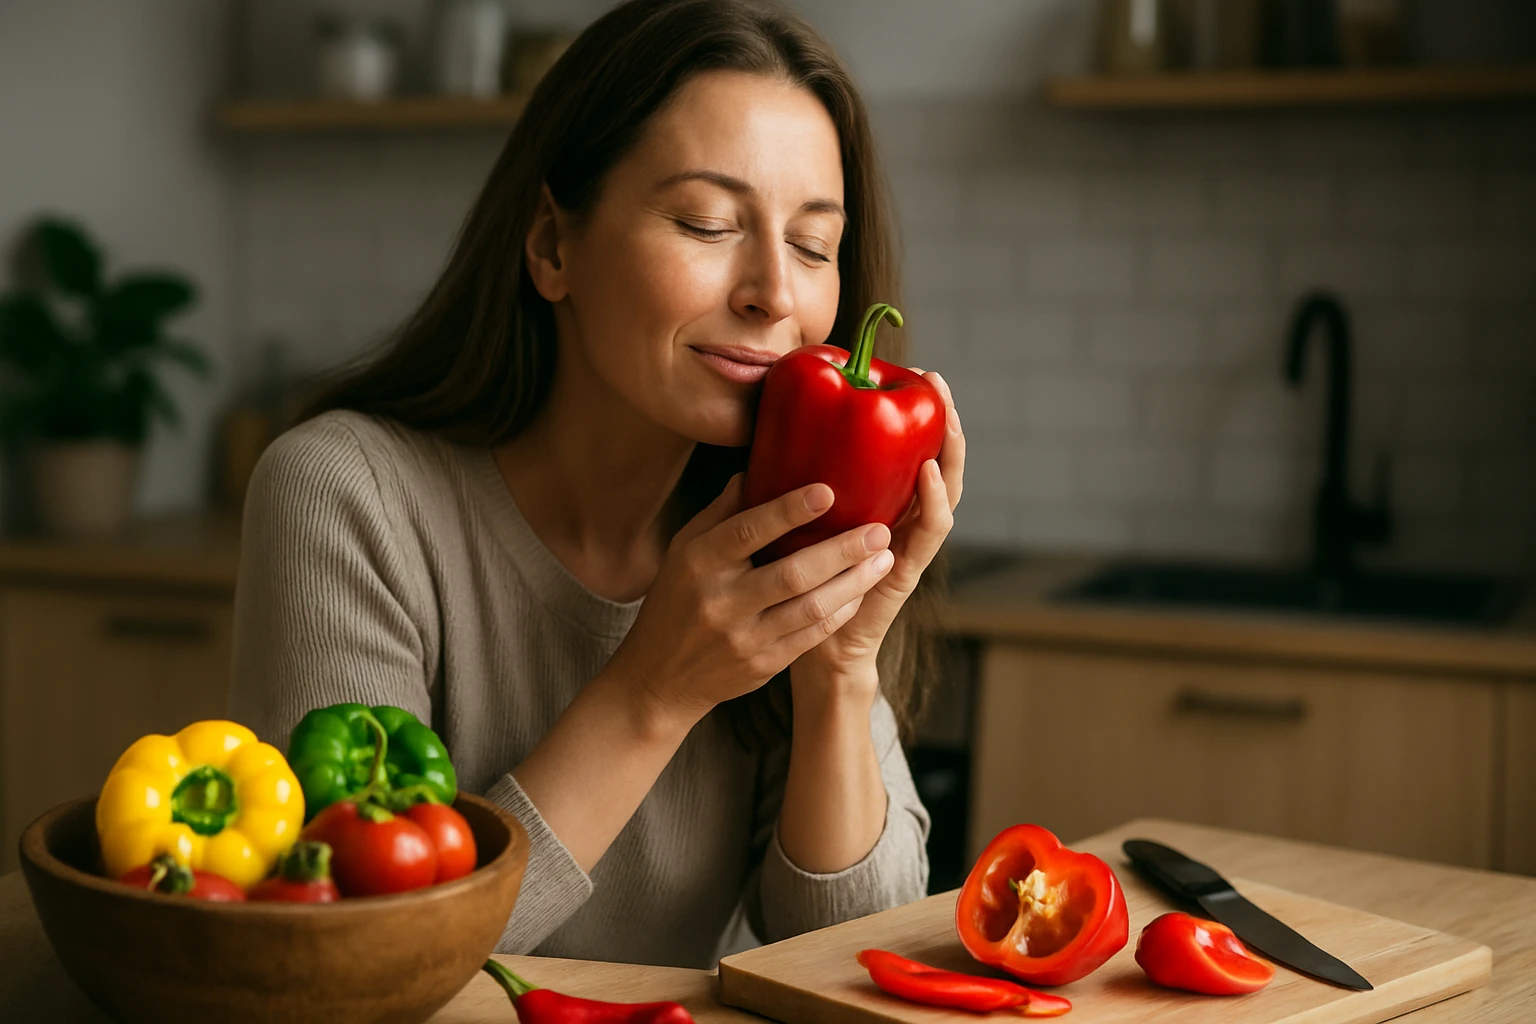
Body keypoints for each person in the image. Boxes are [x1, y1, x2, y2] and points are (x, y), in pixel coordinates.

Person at [228, 0, 966, 968]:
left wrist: (838, 670)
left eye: (814, 245)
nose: (775, 295)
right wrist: (654, 689)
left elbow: (851, 953)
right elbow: (352, 961)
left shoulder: (778, 524)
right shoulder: (346, 496)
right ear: (551, 246)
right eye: (707, 223)